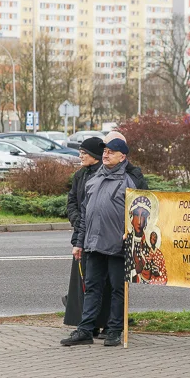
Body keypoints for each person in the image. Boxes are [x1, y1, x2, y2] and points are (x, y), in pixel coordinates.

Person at [60, 138, 144, 348]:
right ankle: (85, 330)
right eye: (105, 151)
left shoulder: (129, 181)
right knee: (92, 288)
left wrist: (131, 234)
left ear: (122, 157)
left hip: (118, 246)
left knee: (117, 289)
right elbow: (85, 215)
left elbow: (141, 213)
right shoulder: (94, 180)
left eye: (111, 152)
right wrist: (79, 243)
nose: (105, 155)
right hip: (93, 244)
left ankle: (114, 330)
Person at [63, 137, 109, 335]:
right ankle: (82, 319)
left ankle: (102, 320)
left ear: (95, 156)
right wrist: (76, 219)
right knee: (81, 279)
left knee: (98, 280)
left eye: (84, 153)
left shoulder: (103, 174)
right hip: (81, 232)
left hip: (99, 235)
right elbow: (72, 200)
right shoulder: (80, 175)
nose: (80, 156)